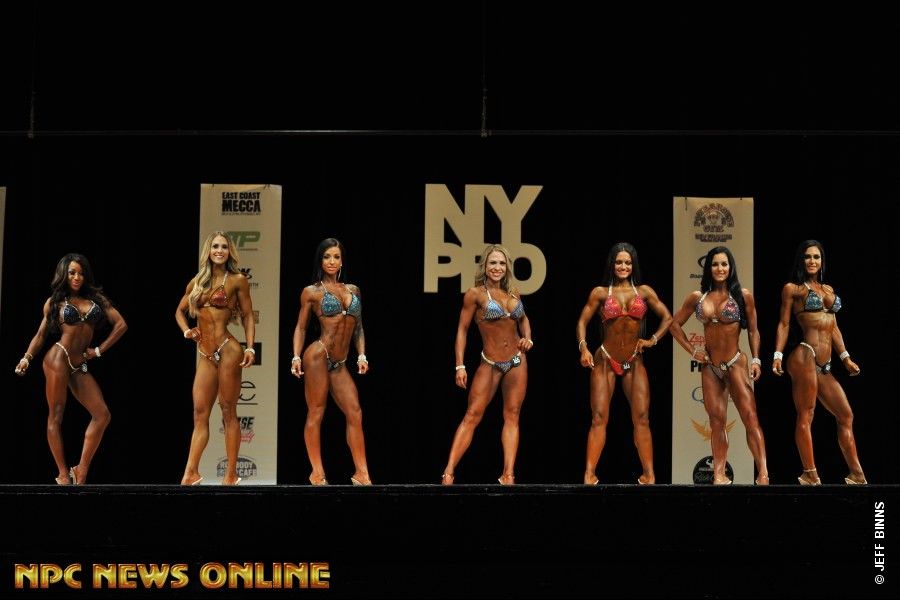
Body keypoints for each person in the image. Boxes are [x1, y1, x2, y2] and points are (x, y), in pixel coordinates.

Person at [14, 253, 127, 485]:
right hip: (57, 358)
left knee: (102, 414)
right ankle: (63, 474)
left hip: (78, 363)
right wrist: (26, 358)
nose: (77, 277)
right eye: (72, 273)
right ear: (64, 275)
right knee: (56, 415)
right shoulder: (55, 302)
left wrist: (98, 350)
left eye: (81, 273)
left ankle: (81, 469)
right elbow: (41, 334)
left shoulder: (97, 299)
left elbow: (121, 324)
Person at [669, 246, 769, 485]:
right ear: (708, 268)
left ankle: (763, 473)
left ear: (731, 267)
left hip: (736, 363)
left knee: (750, 418)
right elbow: (674, 325)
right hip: (711, 367)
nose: (720, 268)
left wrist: (756, 359)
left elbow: (753, 330)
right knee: (716, 422)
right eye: (715, 264)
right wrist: (693, 351)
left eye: (724, 264)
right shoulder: (698, 297)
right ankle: (719, 475)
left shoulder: (742, 296)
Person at [575, 242, 673, 485]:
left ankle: (649, 475)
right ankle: (589, 474)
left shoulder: (644, 292)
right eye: (619, 262)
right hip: (606, 358)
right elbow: (582, 322)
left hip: (634, 360)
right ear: (612, 264)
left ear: (633, 265)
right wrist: (583, 348)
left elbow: (668, 317)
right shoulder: (600, 293)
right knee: (599, 417)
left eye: (627, 262)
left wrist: (652, 340)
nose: (623, 266)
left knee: (642, 418)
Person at [773, 240, 865, 485]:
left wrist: (845, 358)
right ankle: (810, 473)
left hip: (825, 366)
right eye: (807, 257)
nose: (812, 261)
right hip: (804, 354)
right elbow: (784, 323)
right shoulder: (793, 289)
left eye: (816, 257)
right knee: (807, 413)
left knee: (845, 415)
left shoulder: (827, 289)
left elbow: (833, 327)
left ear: (822, 261)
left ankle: (857, 475)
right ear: (801, 261)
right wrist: (777, 355)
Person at [442, 243, 533, 485]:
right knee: (472, 415)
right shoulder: (475, 294)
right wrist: (459, 365)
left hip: (516, 361)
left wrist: (528, 338)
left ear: (507, 267)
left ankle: (508, 474)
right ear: (484, 266)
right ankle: (448, 472)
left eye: (502, 263)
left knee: (512, 415)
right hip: (490, 363)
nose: (497, 267)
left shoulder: (514, 293)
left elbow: (524, 320)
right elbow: (462, 330)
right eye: (493, 263)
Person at [175, 231, 255, 485]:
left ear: (230, 251)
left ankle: (231, 474)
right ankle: (191, 473)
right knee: (200, 413)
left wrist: (250, 348)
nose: (219, 251)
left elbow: (248, 315)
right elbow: (179, 311)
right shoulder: (197, 282)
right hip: (206, 354)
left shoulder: (237, 280)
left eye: (224, 247)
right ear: (208, 251)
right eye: (215, 247)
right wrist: (187, 330)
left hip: (228, 349)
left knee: (228, 410)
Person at [291, 238, 373, 486]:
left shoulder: (353, 290)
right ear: (320, 260)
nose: (331, 261)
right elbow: (301, 327)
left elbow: (358, 327)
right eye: (327, 256)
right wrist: (296, 356)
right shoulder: (312, 292)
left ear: (342, 261)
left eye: (336, 257)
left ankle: (362, 473)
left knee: (355, 412)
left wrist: (361, 355)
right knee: (316, 412)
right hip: (318, 355)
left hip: (340, 362)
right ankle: (316, 472)